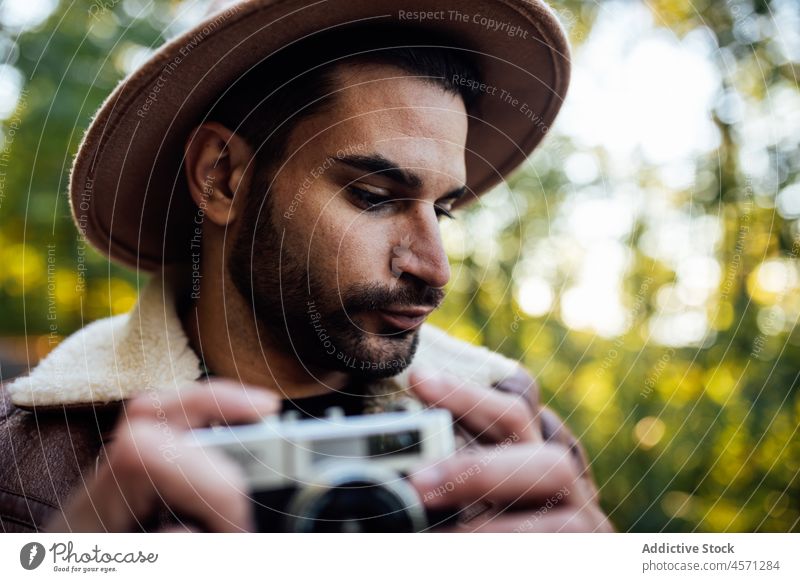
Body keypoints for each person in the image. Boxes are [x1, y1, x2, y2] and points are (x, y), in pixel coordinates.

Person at [0, 0, 613, 532]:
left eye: (443, 211)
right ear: (222, 177)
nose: (435, 268)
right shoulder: (22, 451)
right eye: (374, 197)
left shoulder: (513, 436)